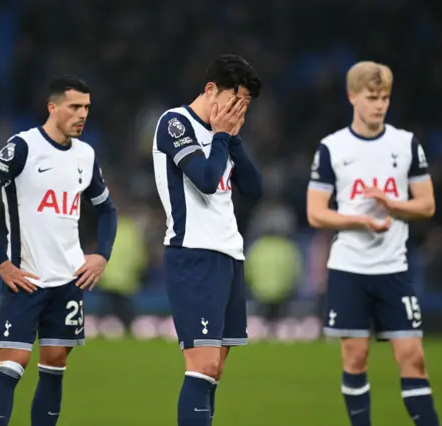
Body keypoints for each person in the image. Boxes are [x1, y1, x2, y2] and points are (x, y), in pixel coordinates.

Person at [0, 75, 118, 426]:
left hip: (69, 282)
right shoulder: (22, 147)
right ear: (53, 107)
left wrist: (102, 253)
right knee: (10, 367)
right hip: (27, 280)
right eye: (74, 107)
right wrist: (3, 264)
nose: (83, 115)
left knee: (54, 368)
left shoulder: (86, 154)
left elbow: (107, 209)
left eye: (87, 108)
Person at [307, 61, 440, 426]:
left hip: (393, 269)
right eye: (371, 97)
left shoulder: (406, 144)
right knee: (355, 359)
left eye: (384, 98)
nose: (379, 105)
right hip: (348, 269)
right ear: (352, 97)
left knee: (413, 357)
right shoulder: (332, 148)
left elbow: (427, 205)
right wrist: (360, 220)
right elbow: (316, 213)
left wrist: (392, 205)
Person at [152, 54, 262, 426]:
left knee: (215, 372)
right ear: (211, 90)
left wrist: (233, 140)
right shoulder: (174, 123)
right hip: (193, 253)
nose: (238, 111)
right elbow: (205, 178)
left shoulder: (225, 135)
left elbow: (254, 188)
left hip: (230, 253)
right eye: (235, 101)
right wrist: (220, 137)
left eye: (245, 106)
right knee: (202, 366)